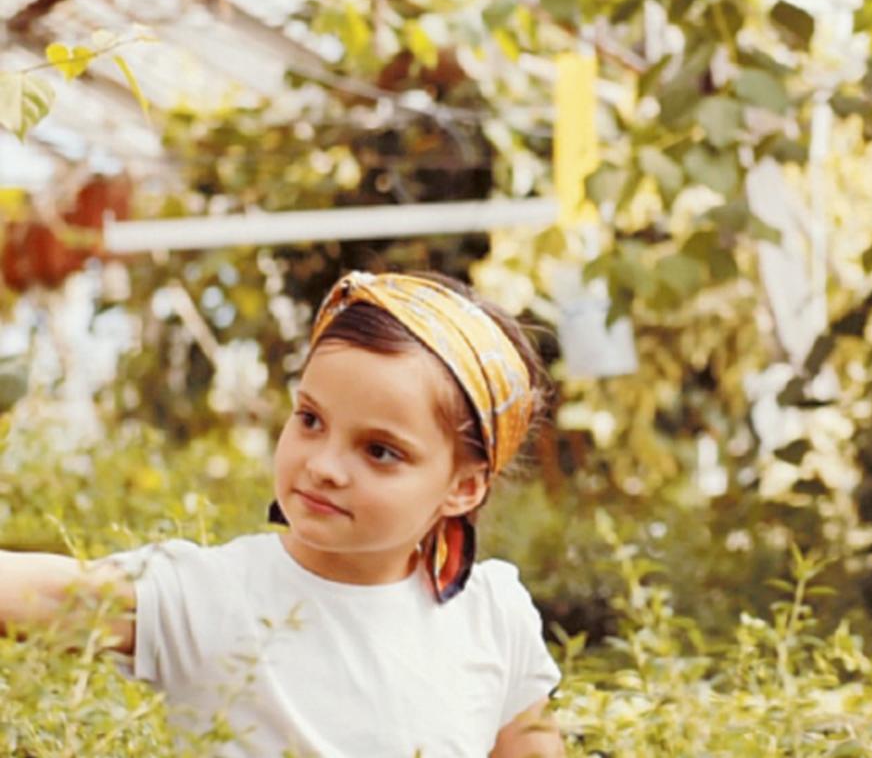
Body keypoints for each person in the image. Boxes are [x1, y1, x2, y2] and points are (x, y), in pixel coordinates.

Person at [0, 271, 566, 757]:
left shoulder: (494, 617)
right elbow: (51, 593)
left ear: (464, 488)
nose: (324, 466)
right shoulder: (210, 594)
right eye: (311, 420)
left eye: (379, 451)